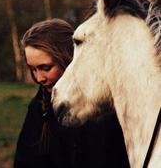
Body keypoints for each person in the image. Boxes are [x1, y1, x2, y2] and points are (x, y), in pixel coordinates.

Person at [14, 18, 130, 168]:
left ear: (67, 58)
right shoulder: (38, 108)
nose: (39, 78)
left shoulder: (107, 107)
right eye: (33, 69)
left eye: (46, 67)